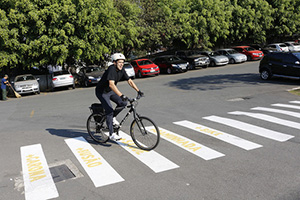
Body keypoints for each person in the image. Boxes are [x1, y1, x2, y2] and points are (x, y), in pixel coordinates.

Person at [95, 53, 144, 141]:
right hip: (102, 92)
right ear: (114, 62)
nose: (121, 64)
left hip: (110, 91)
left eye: (122, 62)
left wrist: (138, 90)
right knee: (109, 111)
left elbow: (129, 81)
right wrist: (121, 95)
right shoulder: (111, 69)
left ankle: (112, 117)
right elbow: (111, 85)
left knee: (123, 103)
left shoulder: (122, 70)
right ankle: (111, 134)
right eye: (119, 62)